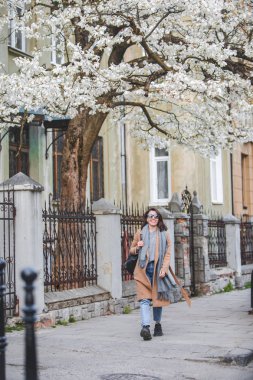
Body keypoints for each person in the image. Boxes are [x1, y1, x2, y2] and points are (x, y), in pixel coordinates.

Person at [129, 207, 172, 341]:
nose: (153, 218)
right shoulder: (140, 233)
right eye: (150, 216)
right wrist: (138, 247)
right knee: (144, 299)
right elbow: (131, 250)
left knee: (157, 300)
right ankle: (145, 327)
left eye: (155, 216)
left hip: (158, 269)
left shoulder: (164, 233)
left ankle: (157, 324)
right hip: (143, 269)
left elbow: (168, 253)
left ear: (158, 218)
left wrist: (164, 268)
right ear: (146, 218)